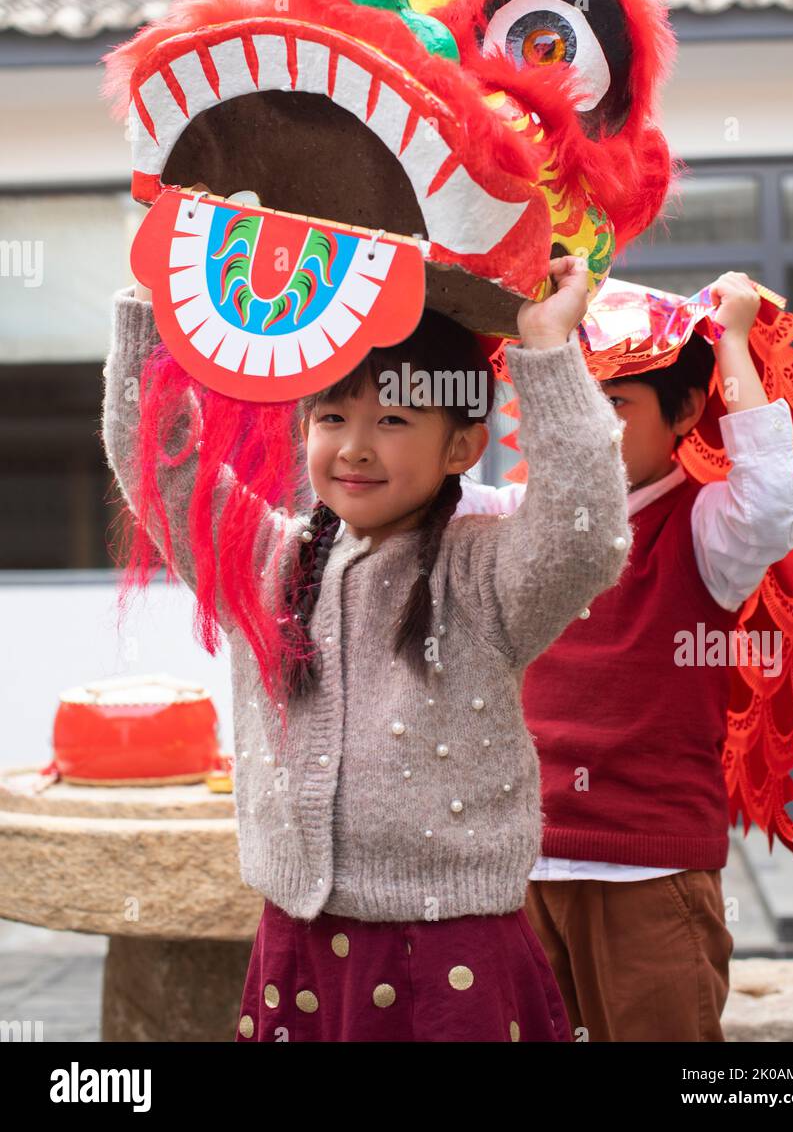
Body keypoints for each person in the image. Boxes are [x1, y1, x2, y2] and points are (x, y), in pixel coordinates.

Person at [101, 255, 631, 1043]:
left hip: (453, 956)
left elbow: (583, 533)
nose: (353, 447)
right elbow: (163, 471)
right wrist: (150, 307)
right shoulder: (270, 566)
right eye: (332, 418)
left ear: (461, 448)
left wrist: (548, 352)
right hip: (298, 951)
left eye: (391, 421)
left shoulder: (485, 570)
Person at [456, 271, 793, 1041]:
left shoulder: (705, 527)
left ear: (684, 411)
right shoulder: (517, 519)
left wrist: (734, 340)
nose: (584, 423)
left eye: (614, 403)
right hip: (521, 867)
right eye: (570, 398)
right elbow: (415, 492)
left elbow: (774, 501)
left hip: (649, 871)